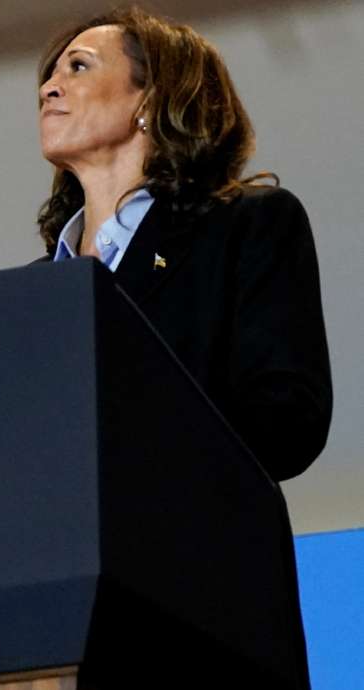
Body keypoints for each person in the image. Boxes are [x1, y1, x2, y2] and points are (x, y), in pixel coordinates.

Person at [36, 7, 332, 483]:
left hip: (188, 544)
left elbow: (288, 419)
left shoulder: (243, 225)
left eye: (78, 66)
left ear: (151, 99)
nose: (48, 88)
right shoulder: (32, 288)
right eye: (50, 75)